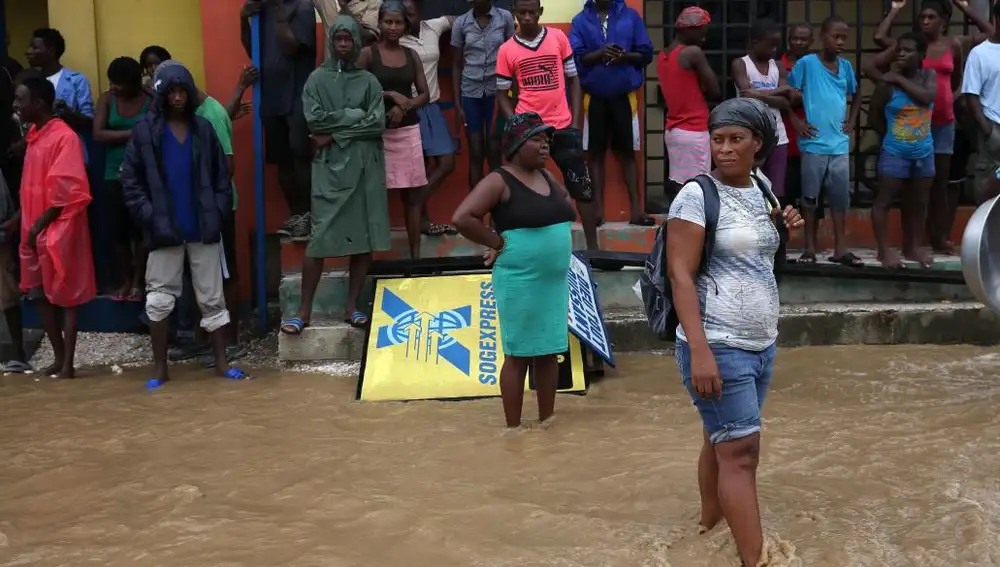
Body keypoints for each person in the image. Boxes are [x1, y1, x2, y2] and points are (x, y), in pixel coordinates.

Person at [666, 97, 803, 567]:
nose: (723, 149)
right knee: (741, 453)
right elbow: (680, 276)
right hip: (718, 342)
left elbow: (757, 256)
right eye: (718, 139)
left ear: (757, 144)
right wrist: (700, 352)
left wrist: (786, 226)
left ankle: (709, 529)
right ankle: (756, 561)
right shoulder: (694, 194)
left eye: (735, 139)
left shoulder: (763, 188)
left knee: (720, 438)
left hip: (761, 342)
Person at [452, 112, 576, 428]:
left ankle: (547, 421)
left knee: (549, 351)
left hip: (553, 282)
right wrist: (497, 242)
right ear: (517, 144)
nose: (545, 145)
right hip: (520, 279)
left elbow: (566, 206)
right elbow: (463, 217)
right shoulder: (499, 180)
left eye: (547, 139)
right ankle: (514, 428)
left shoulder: (547, 177)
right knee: (519, 353)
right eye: (536, 138)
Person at [120, 62, 239, 388]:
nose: (177, 97)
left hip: (202, 227)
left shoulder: (204, 129)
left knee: (212, 298)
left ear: (189, 92)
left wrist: (216, 211)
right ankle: (160, 369)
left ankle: (222, 363)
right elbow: (130, 182)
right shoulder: (145, 131)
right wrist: (149, 216)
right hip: (164, 232)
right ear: (161, 94)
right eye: (170, 91)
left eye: (181, 91)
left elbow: (221, 178)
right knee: (159, 300)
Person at [281, 15, 389, 334]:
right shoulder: (316, 80)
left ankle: (352, 307)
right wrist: (354, 117)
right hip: (329, 170)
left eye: (349, 40)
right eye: (338, 40)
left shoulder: (369, 82)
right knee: (319, 240)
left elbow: (377, 124)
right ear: (331, 42)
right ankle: (303, 311)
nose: (344, 45)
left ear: (357, 42)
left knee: (363, 241)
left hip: (366, 167)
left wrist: (338, 132)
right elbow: (315, 123)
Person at [873, 0, 995, 253]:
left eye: (931, 17)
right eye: (922, 17)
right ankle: (915, 242)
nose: (925, 22)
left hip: (943, 123)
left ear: (943, 21)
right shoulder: (910, 47)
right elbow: (878, 38)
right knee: (916, 186)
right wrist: (895, 8)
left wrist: (964, 7)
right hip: (911, 125)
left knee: (941, 183)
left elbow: (989, 34)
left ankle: (940, 238)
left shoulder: (954, 44)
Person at [496, 0, 597, 251]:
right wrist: (516, 124)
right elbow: (501, 94)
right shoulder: (507, 50)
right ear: (514, 14)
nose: (527, 17)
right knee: (520, 188)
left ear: (540, 12)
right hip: (528, 133)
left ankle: (595, 251)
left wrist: (574, 121)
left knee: (581, 186)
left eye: (532, 12)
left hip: (562, 126)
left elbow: (574, 80)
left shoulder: (558, 38)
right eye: (522, 13)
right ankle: (514, 245)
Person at [14, 77, 97, 379]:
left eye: (20, 99)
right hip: (33, 229)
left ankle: (68, 363)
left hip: (59, 226)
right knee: (39, 295)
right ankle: (58, 357)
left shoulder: (65, 137)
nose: (16, 105)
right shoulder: (35, 135)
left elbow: (68, 190)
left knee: (67, 294)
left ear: (38, 102)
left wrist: (39, 225)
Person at [570, 0, 653, 226]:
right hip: (594, 96)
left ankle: (636, 211)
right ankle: (596, 212)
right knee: (595, 154)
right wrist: (600, 53)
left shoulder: (631, 16)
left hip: (623, 97)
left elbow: (646, 54)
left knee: (626, 153)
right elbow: (576, 58)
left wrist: (624, 56)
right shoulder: (580, 20)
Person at [788, 15, 863, 266]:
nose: (840, 42)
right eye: (836, 36)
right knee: (810, 199)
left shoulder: (846, 67)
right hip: (814, 144)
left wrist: (852, 120)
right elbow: (787, 93)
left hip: (839, 145)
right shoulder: (808, 64)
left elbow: (857, 91)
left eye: (844, 38)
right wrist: (796, 122)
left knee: (841, 200)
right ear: (823, 36)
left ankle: (841, 249)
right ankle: (810, 248)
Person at [358, 0, 430, 260]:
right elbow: (355, 91)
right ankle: (369, 258)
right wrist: (389, 94)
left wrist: (405, 106)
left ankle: (415, 257)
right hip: (376, 135)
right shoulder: (368, 54)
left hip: (408, 132)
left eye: (398, 22)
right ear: (379, 24)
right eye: (388, 21)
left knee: (412, 198)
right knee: (373, 198)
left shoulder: (411, 55)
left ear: (405, 25)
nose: (393, 27)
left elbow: (425, 94)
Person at [240, 0, 317, 238]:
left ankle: (308, 214)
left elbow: (291, 47)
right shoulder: (262, 10)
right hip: (271, 94)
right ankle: (296, 214)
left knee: (299, 152)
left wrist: (279, 13)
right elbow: (251, 47)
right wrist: (243, 17)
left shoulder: (303, 7)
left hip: (297, 94)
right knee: (281, 157)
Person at [868, 33, 937, 268]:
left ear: (921, 55)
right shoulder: (886, 86)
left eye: (908, 50)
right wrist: (889, 135)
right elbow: (874, 116)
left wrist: (899, 79)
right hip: (895, 152)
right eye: (899, 50)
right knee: (884, 201)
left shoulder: (929, 76)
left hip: (924, 152)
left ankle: (912, 248)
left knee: (919, 202)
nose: (901, 54)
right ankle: (883, 251)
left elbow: (928, 97)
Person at [93, 57, 152, 301]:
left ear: (133, 82)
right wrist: (134, 133)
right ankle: (125, 280)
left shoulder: (151, 100)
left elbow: (158, 131)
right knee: (117, 233)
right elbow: (98, 134)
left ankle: (139, 281)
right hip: (112, 174)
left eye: (119, 83)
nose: (114, 87)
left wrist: (121, 135)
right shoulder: (107, 99)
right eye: (111, 82)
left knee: (140, 233)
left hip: (143, 175)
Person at [401, 0, 458, 236]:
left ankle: (415, 203)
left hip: (432, 106)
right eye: (403, 15)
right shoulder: (396, 37)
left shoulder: (434, 26)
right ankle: (421, 220)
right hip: (409, 107)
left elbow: (459, 20)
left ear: (421, 14)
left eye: (411, 14)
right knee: (417, 169)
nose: (406, 20)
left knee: (447, 162)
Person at [452, 0, 515, 190]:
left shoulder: (504, 18)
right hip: (470, 92)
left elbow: (513, 54)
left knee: (494, 149)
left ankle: (498, 212)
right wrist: (457, 103)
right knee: (476, 151)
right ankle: (475, 210)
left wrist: (515, 94)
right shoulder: (461, 23)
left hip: (498, 93)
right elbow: (456, 64)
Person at [656, 7, 719, 191]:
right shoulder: (692, 53)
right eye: (702, 34)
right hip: (694, 129)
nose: (703, 39)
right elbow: (715, 91)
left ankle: (675, 218)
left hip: (674, 130)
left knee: (678, 183)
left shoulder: (663, 54)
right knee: (698, 188)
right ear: (689, 30)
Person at [733, 19, 795, 203]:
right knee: (747, 187)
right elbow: (746, 96)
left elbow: (786, 101)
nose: (775, 50)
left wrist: (757, 94)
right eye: (771, 45)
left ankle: (774, 229)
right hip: (749, 134)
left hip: (778, 136)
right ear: (755, 43)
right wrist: (778, 92)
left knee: (776, 191)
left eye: (777, 45)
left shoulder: (779, 66)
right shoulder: (741, 64)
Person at [780, 23, 824, 247]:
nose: (798, 42)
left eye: (803, 39)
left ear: (811, 41)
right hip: (786, 141)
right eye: (794, 38)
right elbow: (790, 99)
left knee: (813, 197)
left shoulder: (818, 65)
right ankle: (784, 246)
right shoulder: (779, 65)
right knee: (784, 197)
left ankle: (811, 246)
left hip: (814, 140)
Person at [25, 29, 93, 147]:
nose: (28, 52)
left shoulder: (76, 81)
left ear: (51, 51)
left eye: (35, 48)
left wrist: (66, 113)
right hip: (37, 151)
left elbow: (89, 121)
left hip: (67, 149)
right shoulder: (29, 82)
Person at [962, 2, 1000, 205]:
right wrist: (987, 131)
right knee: (988, 189)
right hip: (993, 127)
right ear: (997, 19)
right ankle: (985, 235)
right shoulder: (980, 53)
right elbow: (971, 95)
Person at [315, 0, 381, 46]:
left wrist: (345, 7)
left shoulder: (373, 2)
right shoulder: (325, 2)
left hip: (356, 62)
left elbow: (367, 37)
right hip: (331, 63)